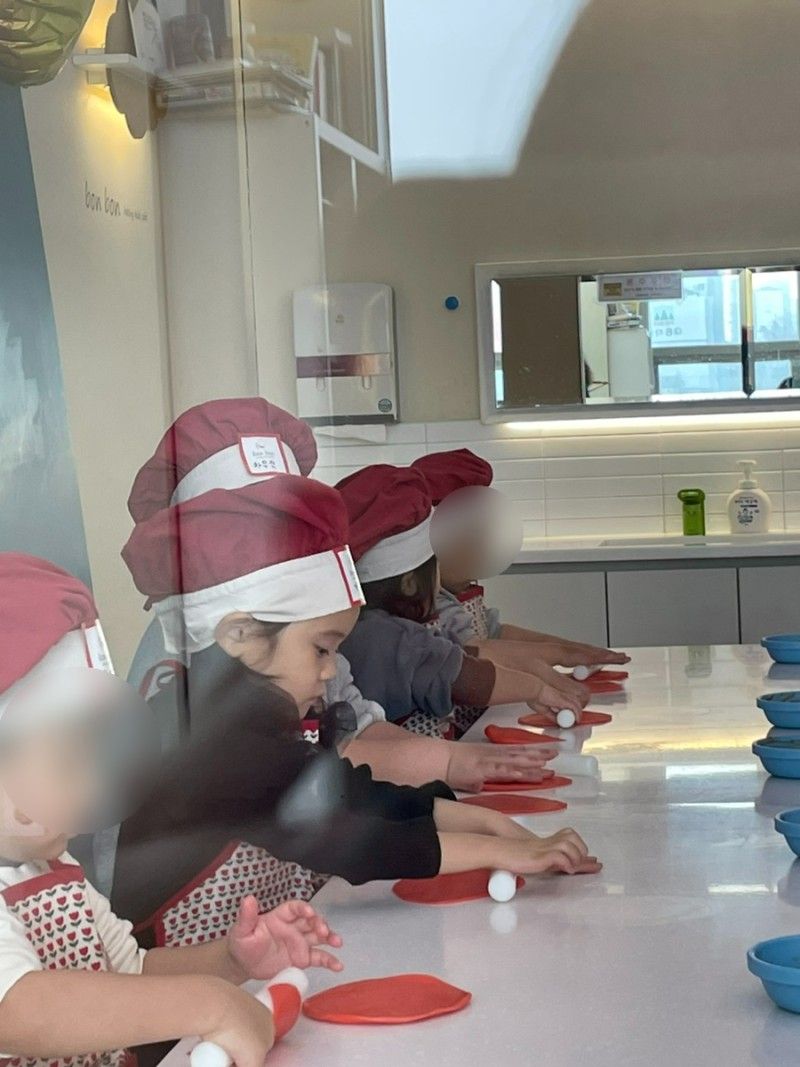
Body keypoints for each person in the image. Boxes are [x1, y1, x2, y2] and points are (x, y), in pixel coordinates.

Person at [113, 475, 600, 951]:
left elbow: (351, 793)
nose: (331, 672)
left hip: (255, 960)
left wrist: (480, 822)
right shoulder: (219, 745)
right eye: (321, 650)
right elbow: (356, 840)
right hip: (187, 985)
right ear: (240, 635)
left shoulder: (240, 716)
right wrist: (504, 851)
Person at [0, 553, 342, 1067]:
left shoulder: (52, 865)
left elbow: (134, 972)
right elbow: (19, 1010)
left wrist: (230, 962)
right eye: (69, 765)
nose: (93, 787)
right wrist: (208, 1005)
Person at [122, 397, 551, 796]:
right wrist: (450, 765)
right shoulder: (181, 657)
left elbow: (355, 726)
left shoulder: (303, 632)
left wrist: (452, 763)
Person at [337, 464, 591, 737]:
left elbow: (467, 654)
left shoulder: (378, 626)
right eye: (436, 567)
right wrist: (536, 690)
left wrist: (541, 667)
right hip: (407, 762)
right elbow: (463, 675)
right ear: (410, 584)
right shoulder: (387, 636)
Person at [412, 448, 632, 672]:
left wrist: (573, 649)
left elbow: (495, 633)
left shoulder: (458, 589)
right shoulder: (432, 603)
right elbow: (479, 649)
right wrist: (561, 655)